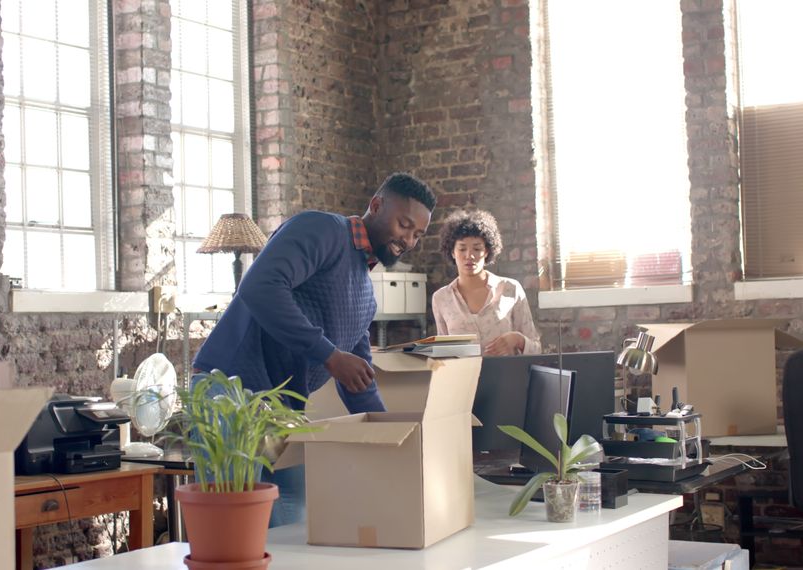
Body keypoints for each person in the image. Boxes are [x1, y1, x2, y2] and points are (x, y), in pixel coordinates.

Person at [191, 172, 436, 525]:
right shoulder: (322, 230)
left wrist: (394, 436)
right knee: (231, 530)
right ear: (376, 205)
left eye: (418, 234)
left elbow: (358, 380)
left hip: (281, 414)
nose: (409, 240)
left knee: (289, 525)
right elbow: (260, 286)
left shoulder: (366, 296)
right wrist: (330, 355)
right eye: (404, 224)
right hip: (231, 394)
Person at [432, 209, 542, 356]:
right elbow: (443, 356)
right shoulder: (441, 298)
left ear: (487, 252)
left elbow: (536, 349)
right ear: (452, 252)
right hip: (464, 378)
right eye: (462, 248)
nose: (469, 256)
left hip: (507, 377)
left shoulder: (511, 289)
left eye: (477, 249)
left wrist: (518, 340)